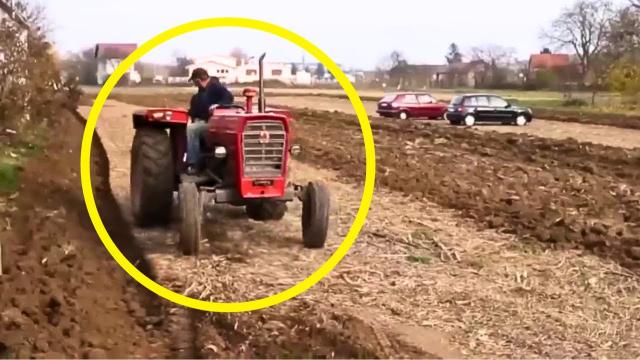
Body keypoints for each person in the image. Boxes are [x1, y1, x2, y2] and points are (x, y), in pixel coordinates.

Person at [185, 68, 235, 174]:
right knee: (193, 126)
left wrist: (219, 105)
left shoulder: (215, 87)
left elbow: (229, 97)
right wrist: (188, 112)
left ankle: (193, 164)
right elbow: (199, 108)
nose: (194, 85)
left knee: (191, 130)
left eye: (194, 82)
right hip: (206, 121)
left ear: (198, 80)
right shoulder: (201, 92)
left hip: (214, 124)